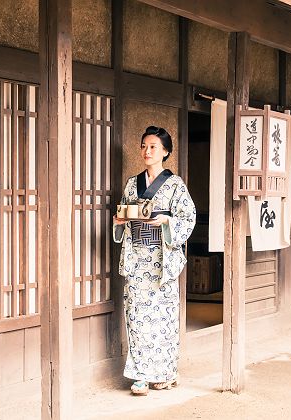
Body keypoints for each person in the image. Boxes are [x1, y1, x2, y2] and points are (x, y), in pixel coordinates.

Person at [113, 126, 196, 396]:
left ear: (165, 152)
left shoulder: (175, 185)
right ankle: (140, 376)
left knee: (163, 317)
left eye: (154, 147)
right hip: (137, 256)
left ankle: (166, 372)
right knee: (137, 317)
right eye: (144, 146)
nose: (147, 151)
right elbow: (123, 215)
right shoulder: (131, 183)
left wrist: (167, 221)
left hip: (162, 260)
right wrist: (119, 222)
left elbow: (188, 218)